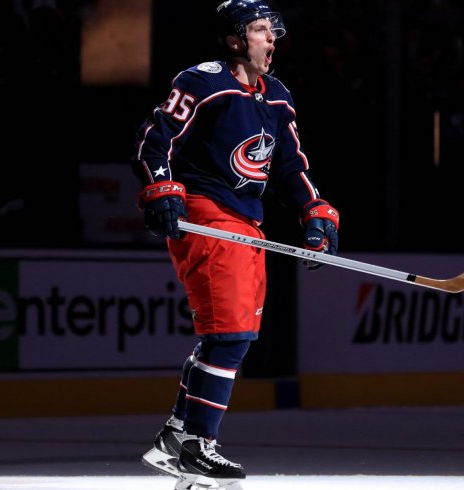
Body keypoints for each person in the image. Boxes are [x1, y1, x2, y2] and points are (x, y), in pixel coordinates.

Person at [131, 0, 339, 488]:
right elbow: (153, 139)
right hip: (207, 216)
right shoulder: (204, 81)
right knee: (228, 335)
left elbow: (290, 167)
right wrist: (161, 187)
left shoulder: (278, 97)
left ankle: (180, 436)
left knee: (234, 334)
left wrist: (316, 213)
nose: (272, 40)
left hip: (250, 226)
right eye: (262, 30)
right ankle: (198, 446)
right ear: (234, 39)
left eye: (273, 31)